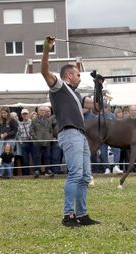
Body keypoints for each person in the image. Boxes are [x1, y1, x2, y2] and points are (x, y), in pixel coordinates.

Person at [41, 36, 100, 227]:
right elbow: (44, 71)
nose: (80, 77)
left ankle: (82, 214)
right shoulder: (59, 86)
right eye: (78, 75)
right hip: (69, 133)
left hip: (81, 136)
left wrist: (98, 86)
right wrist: (46, 49)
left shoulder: (77, 94)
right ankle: (68, 215)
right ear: (68, 76)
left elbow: (97, 107)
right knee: (75, 174)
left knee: (84, 177)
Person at [30, 105, 54, 177]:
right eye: (41, 110)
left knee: (47, 156)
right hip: (37, 142)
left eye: (44, 110)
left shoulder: (49, 120)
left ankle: (48, 170)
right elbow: (31, 131)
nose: (43, 112)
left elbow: (51, 131)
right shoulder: (34, 120)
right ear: (38, 111)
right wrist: (36, 138)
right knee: (37, 156)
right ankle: (37, 170)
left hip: (46, 141)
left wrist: (49, 138)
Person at [17, 108, 34, 176]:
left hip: (32, 142)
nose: (25, 115)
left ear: (28, 114)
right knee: (25, 159)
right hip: (24, 142)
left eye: (26, 114)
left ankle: (34, 172)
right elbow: (18, 134)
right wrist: (21, 141)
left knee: (34, 158)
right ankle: (26, 174)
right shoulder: (20, 124)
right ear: (21, 115)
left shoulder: (32, 122)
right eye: (23, 114)